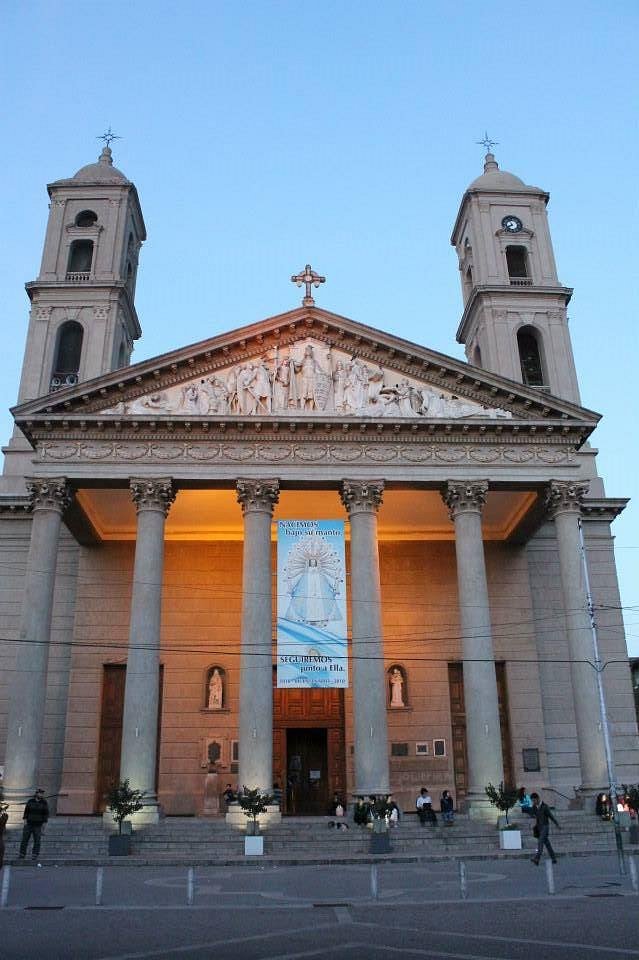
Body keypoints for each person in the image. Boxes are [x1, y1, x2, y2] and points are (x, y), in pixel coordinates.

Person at [19, 787, 49, 862]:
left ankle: (35, 855)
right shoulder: (30, 801)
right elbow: (26, 812)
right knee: (24, 840)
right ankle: (22, 854)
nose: (41, 794)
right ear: (36, 794)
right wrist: (25, 822)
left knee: (37, 841)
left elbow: (45, 815)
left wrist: (43, 827)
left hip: (38, 825)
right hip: (29, 824)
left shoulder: (44, 802)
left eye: (42, 793)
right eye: (40, 793)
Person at [529, 791, 560, 865]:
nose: (533, 802)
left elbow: (551, 816)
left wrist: (557, 824)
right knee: (547, 844)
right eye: (532, 801)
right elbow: (532, 814)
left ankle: (537, 858)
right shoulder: (534, 807)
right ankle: (554, 858)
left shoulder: (545, 806)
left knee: (540, 842)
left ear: (538, 799)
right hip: (539, 827)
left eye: (534, 800)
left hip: (545, 827)